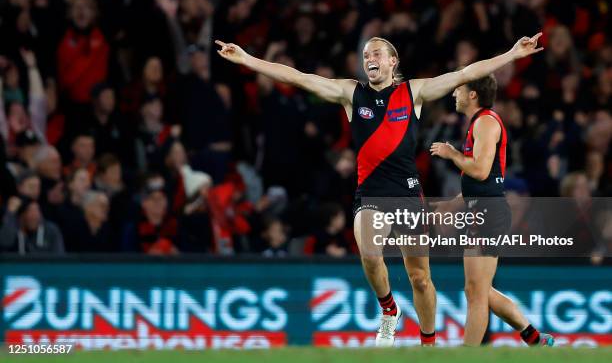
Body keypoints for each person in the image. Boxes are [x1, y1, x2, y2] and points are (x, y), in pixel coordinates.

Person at [215, 31, 544, 346]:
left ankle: (427, 345)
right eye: (365, 55)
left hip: (407, 194)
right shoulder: (350, 93)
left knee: (420, 278)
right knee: (370, 250)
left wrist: (512, 54)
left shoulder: (413, 93)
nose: (369, 58)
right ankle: (389, 310)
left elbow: (465, 73)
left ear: (392, 61)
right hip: (371, 193)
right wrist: (248, 59)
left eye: (376, 53)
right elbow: (298, 77)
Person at [430, 73, 554, 346]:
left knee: (476, 292)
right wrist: (451, 205)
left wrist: (451, 154)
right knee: (478, 290)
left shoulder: (485, 122)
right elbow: (482, 180)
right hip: (482, 210)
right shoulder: (479, 122)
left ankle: (468, 355)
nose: (454, 94)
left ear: (473, 94)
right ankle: (534, 338)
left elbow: (481, 170)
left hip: (489, 214)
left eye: (459, 89)